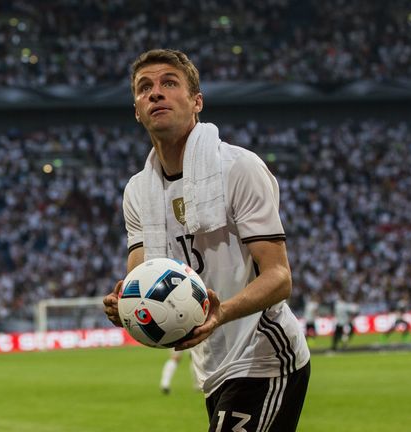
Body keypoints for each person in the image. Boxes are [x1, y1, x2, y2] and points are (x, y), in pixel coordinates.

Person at [103, 49, 310, 432]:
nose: (155, 93)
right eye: (144, 87)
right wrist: (126, 304)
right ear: (136, 109)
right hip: (211, 366)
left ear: (197, 101)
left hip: (264, 354)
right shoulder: (137, 191)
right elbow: (142, 274)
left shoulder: (239, 168)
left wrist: (222, 312)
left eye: (169, 83)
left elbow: (280, 277)